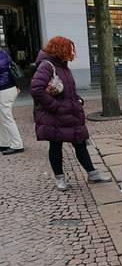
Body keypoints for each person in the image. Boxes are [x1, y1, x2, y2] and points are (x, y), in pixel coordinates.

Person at [30, 37, 111, 190]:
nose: (72, 52)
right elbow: (36, 89)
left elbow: (68, 89)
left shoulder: (62, 65)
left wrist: (77, 100)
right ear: (59, 50)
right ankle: (60, 179)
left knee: (80, 142)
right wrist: (55, 106)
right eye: (69, 49)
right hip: (55, 116)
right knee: (56, 146)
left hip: (69, 113)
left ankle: (92, 174)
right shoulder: (47, 66)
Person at [0, 49, 24, 155]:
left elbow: (3, 73)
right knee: (2, 117)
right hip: (7, 89)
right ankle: (4, 143)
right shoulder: (3, 53)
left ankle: (17, 144)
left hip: (5, 90)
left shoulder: (2, 56)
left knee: (6, 117)